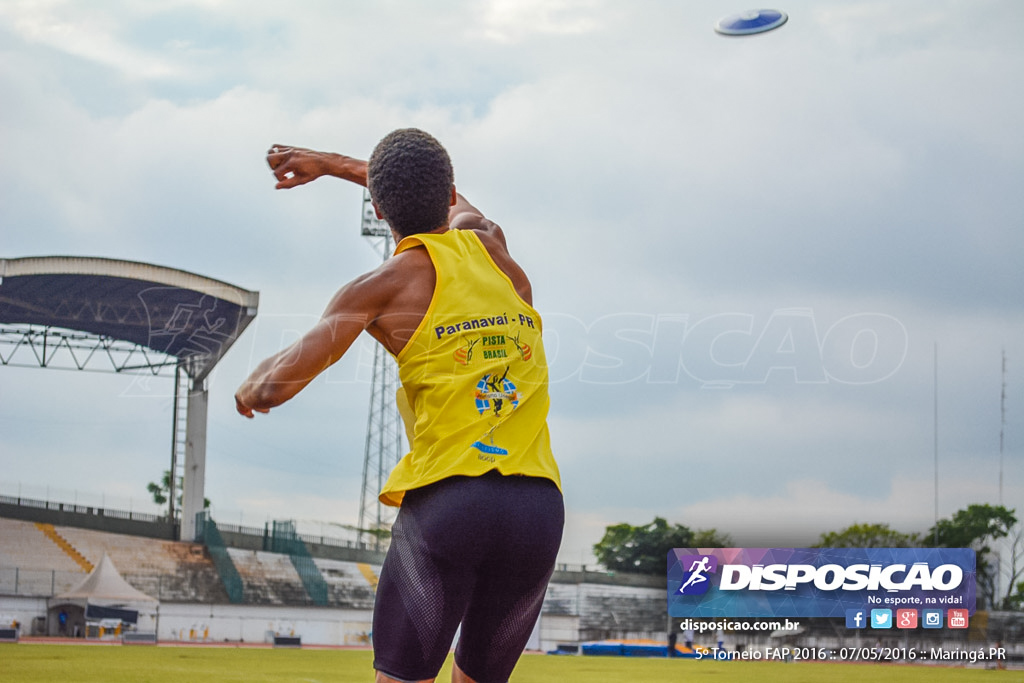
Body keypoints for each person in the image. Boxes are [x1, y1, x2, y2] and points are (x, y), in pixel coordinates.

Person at [235, 129, 563, 683]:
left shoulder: (378, 288)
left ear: (379, 208)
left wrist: (250, 385)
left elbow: (275, 387)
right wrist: (333, 164)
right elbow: (449, 200)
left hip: (452, 500)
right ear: (452, 192)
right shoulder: (491, 244)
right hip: (537, 506)